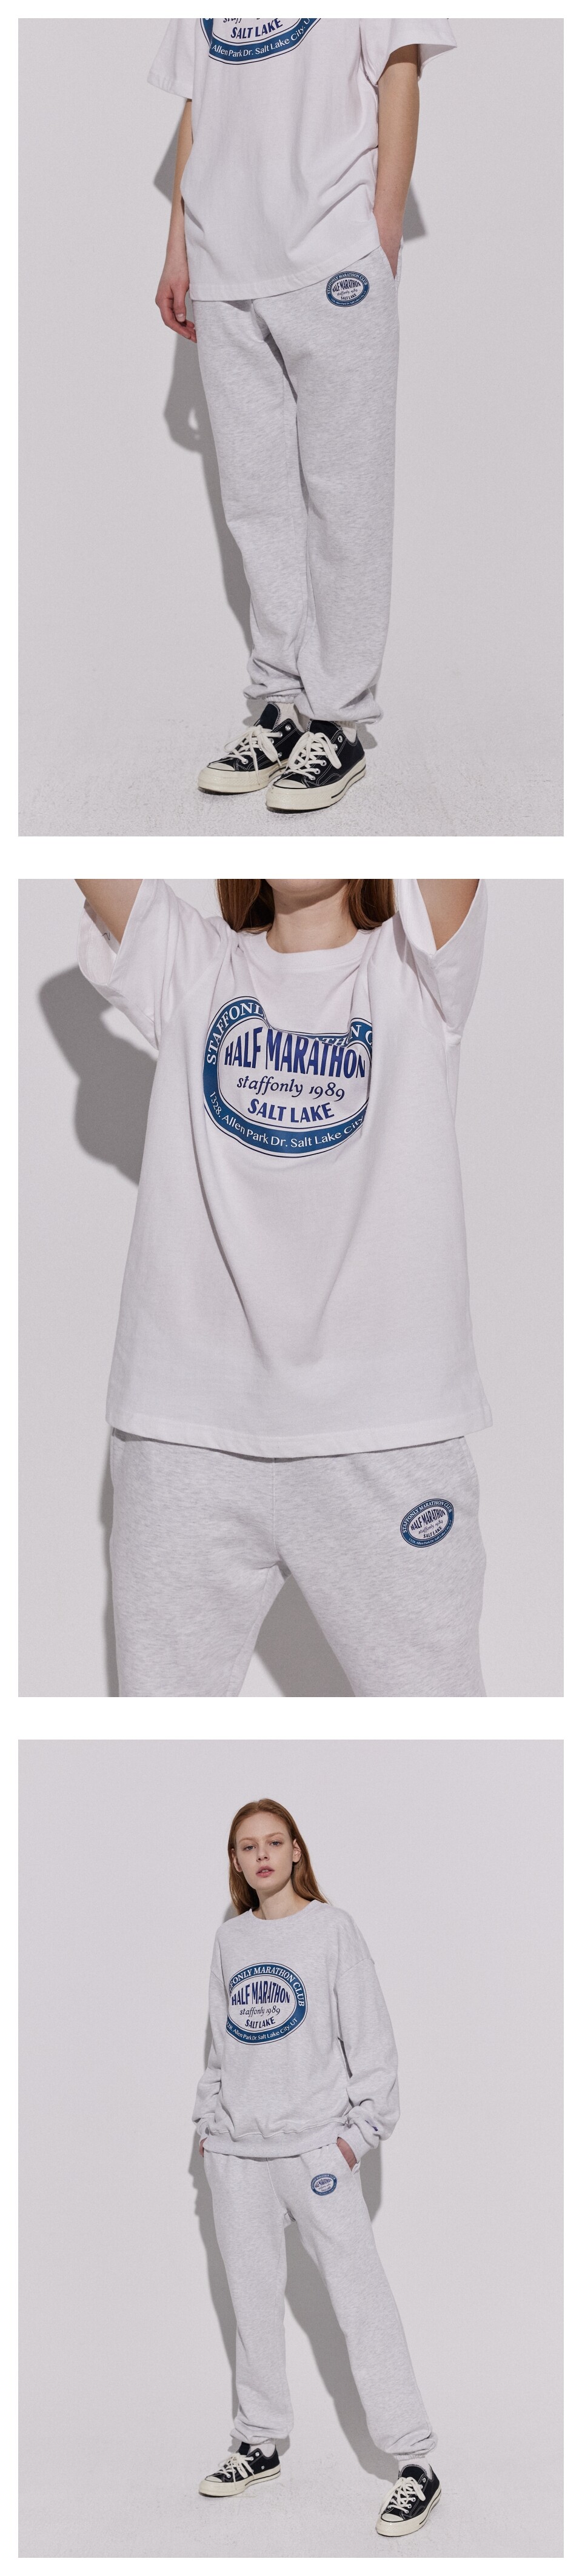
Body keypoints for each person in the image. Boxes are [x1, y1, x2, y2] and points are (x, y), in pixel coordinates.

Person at [75, 873, 490, 1698]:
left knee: (441, 1729)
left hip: (386, 1435)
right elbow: (78, 842)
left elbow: (455, 840)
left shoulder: (414, 969)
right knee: (158, 1738)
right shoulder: (190, 964)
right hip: (186, 1438)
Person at [149, 18, 456, 810]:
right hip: (223, 261)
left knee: (347, 495)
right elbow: (198, 104)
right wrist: (178, 245)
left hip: (332, 252)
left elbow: (400, 69)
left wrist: (382, 227)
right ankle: (280, 705)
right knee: (257, 500)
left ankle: (339, 719)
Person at [195, 1795, 440, 2538]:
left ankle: (415, 2459)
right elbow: (220, 2045)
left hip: (316, 2151)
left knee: (361, 2301)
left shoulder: (333, 1929)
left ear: (297, 1849)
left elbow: (373, 2042)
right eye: (248, 1846)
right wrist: (208, 2127)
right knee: (252, 2304)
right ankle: (260, 2441)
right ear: (236, 1861)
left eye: (274, 1841)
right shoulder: (231, 1938)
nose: (262, 1855)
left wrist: (356, 2137)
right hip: (238, 2154)